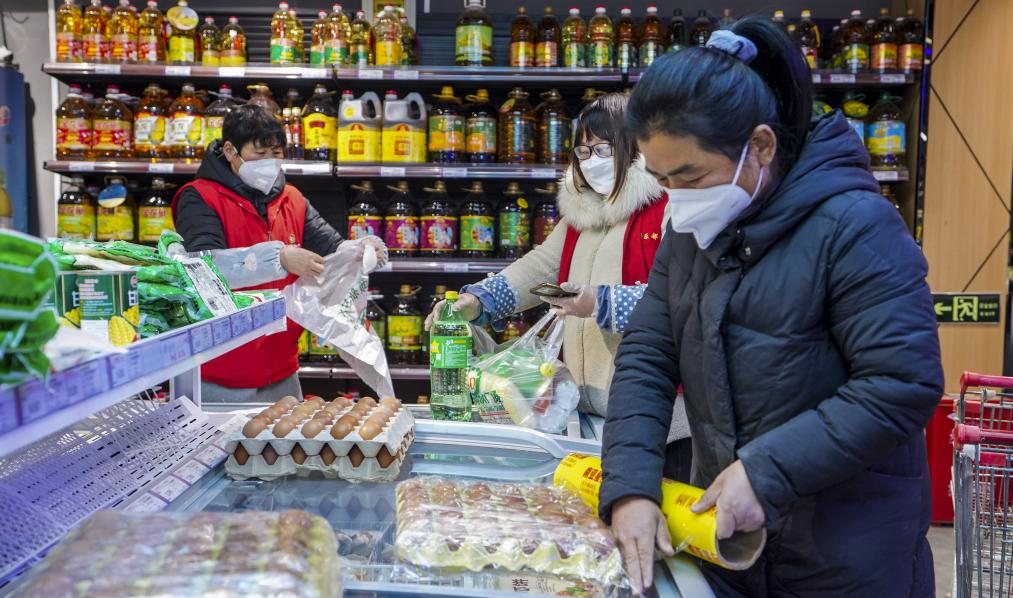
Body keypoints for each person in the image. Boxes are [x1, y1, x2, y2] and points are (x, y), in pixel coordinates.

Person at [598, 19, 942, 597]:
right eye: (660, 180)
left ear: (760, 146)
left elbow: (900, 382)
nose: (676, 200)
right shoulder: (691, 232)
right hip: (727, 542)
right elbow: (648, 356)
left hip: (844, 556)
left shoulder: (856, 226)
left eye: (690, 176)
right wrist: (630, 486)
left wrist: (767, 470)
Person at [426, 93, 691, 479]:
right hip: (581, 412)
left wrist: (600, 302)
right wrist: (477, 301)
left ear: (633, 146)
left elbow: (680, 299)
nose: (591, 162)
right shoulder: (580, 214)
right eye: (582, 152)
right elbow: (538, 268)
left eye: (602, 148)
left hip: (660, 419)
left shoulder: (668, 207)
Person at [172, 104, 385, 403]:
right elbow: (203, 269)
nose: (271, 162)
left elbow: (330, 245)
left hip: (283, 370)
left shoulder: (292, 198)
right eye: (260, 154)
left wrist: (359, 249)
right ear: (231, 151)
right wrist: (279, 258)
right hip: (219, 371)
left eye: (277, 152)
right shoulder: (200, 197)